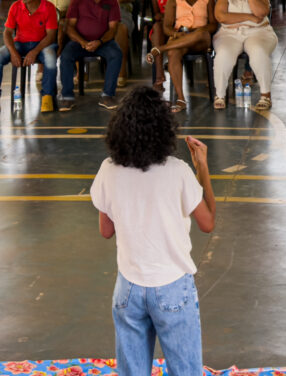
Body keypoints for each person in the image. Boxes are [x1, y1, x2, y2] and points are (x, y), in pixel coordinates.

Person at [90, 85, 217, 376]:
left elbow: (106, 231)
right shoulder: (178, 170)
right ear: (163, 129)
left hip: (129, 286)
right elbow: (207, 223)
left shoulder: (108, 169)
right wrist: (203, 168)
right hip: (172, 284)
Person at [0, 0, 60, 116]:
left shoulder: (49, 8)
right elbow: (7, 32)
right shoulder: (16, 6)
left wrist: (35, 51)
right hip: (21, 44)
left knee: (49, 57)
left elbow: (51, 36)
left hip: (43, 44)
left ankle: (47, 97)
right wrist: (13, 52)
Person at [211, 0, 277, 110]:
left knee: (258, 52)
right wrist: (248, 17)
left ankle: (265, 96)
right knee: (223, 54)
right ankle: (220, 95)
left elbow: (261, 13)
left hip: (259, 32)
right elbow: (221, 16)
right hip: (230, 33)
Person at [60, 0, 126, 111]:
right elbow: (69, 27)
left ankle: (107, 95)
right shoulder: (77, 0)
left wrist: (100, 41)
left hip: (103, 42)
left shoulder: (112, 1)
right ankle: (67, 97)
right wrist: (83, 42)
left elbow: (113, 29)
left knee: (116, 54)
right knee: (66, 56)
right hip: (79, 41)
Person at [148, 0, 212, 111]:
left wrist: (197, 31)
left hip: (200, 40)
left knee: (201, 33)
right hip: (180, 37)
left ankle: (160, 48)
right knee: (173, 53)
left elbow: (213, 24)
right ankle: (181, 99)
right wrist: (177, 34)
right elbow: (167, 27)